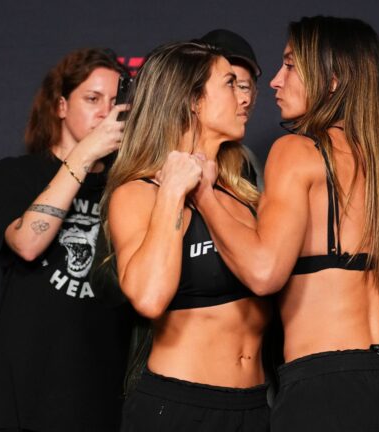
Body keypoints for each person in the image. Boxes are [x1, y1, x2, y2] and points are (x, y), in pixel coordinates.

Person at [193, 16, 379, 431]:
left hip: (328, 387)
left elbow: (263, 273)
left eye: (291, 64)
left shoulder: (297, 151)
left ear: (332, 79)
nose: (275, 81)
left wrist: (204, 195)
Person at [101, 41, 269, 432]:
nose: (244, 96)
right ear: (193, 100)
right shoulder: (138, 193)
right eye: (230, 84)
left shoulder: (243, 195)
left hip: (255, 405)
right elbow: (149, 297)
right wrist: (174, 191)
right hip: (178, 407)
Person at [0, 48, 134, 431]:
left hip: (101, 386)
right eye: (92, 99)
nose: (105, 112)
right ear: (62, 106)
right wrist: (85, 155)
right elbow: (28, 244)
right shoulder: (17, 173)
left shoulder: (130, 185)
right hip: (26, 386)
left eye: (115, 102)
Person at [200, 28, 264, 189]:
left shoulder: (247, 161)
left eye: (243, 87)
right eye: (229, 84)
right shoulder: (163, 164)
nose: (244, 99)